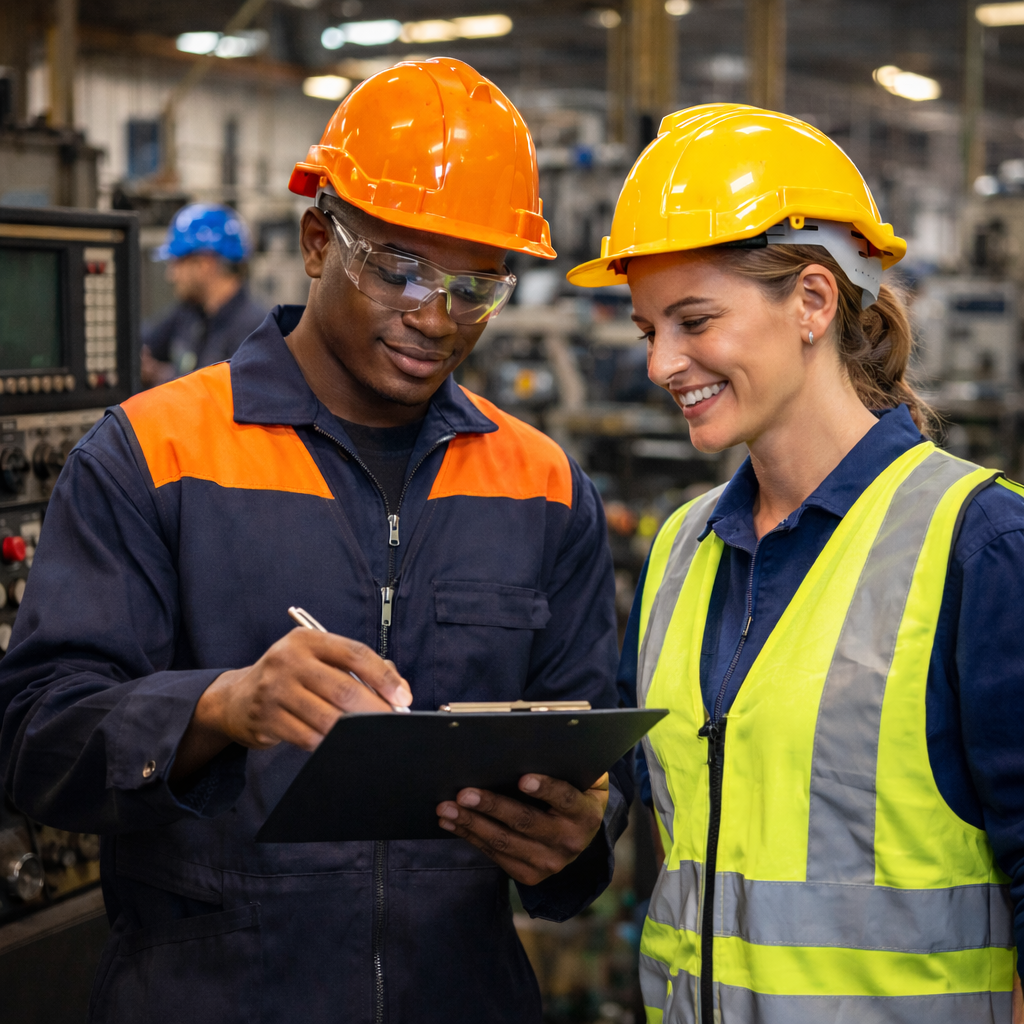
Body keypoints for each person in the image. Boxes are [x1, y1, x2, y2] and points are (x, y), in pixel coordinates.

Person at [0, 59, 630, 1023]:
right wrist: (221, 705)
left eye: (475, 286)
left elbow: (598, 765)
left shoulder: (542, 485)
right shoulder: (154, 456)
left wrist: (583, 837)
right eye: (398, 268)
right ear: (314, 241)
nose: (435, 317)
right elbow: (38, 737)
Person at [568, 104, 1024, 1024]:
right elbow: (647, 814)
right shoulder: (682, 551)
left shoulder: (980, 548)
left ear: (814, 301)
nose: (660, 362)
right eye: (648, 326)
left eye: (694, 320)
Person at [141, 202, 266, 386]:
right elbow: (144, 342)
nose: (171, 276)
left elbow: (218, 404)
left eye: (177, 264)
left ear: (204, 265)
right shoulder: (190, 313)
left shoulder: (255, 334)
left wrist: (163, 378)